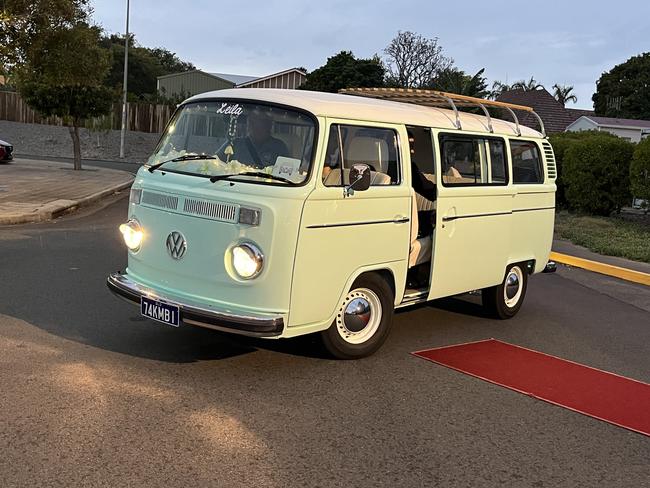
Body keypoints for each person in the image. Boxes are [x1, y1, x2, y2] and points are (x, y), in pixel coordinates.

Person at [222, 110, 289, 168]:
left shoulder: (279, 147)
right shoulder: (235, 144)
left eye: (261, 122)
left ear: (269, 126)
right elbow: (215, 162)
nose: (253, 126)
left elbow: (288, 172)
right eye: (251, 122)